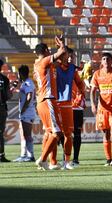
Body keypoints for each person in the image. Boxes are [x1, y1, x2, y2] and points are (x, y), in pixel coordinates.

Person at [34, 36, 66, 170]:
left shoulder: (38, 64)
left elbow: (61, 60)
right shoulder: (44, 61)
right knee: (57, 132)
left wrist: (61, 52)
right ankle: (42, 160)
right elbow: (62, 52)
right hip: (47, 100)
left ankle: (51, 162)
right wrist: (61, 45)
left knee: (49, 132)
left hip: (42, 100)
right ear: (46, 50)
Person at [90, 53, 112, 166]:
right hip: (102, 109)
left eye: (108, 59)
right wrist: (93, 104)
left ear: (111, 61)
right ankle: (108, 158)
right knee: (105, 132)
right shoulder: (97, 74)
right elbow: (92, 91)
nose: (106, 61)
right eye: (104, 59)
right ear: (101, 61)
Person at [56, 46, 85, 169]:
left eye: (72, 57)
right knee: (63, 133)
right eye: (68, 56)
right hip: (63, 104)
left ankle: (76, 159)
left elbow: (81, 86)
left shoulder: (75, 71)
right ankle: (64, 158)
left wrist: (80, 97)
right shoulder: (57, 69)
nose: (70, 58)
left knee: (76, 133)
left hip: (76, 106)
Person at [13, 65, 36, 162]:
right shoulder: (26, 83)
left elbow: (29, 96)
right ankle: (24, 155)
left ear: (21, 73)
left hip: (27, 112)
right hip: (26, 113)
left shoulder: (27, 83)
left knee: (27, 134)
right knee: (24, 134)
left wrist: (24, 108)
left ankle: (30, 156)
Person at [0, 59, 13, 162]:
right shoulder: (4, 79)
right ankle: (1, 155)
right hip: (2, 108)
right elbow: (8, 96)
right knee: (0, 132)